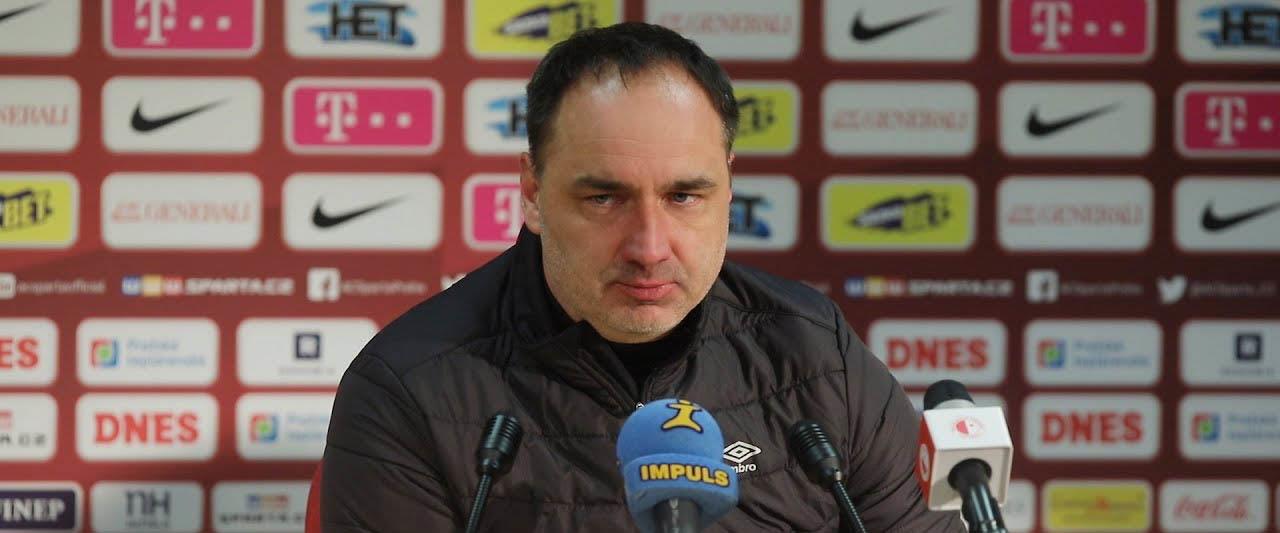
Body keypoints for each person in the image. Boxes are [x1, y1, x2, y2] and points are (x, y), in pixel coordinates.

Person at [321, 22, 966, 532]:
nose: (650, 248)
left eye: (685, 196)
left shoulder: (818, 355)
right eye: (604, 198)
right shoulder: (410, 389)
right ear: (534, 192)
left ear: (729, 187)